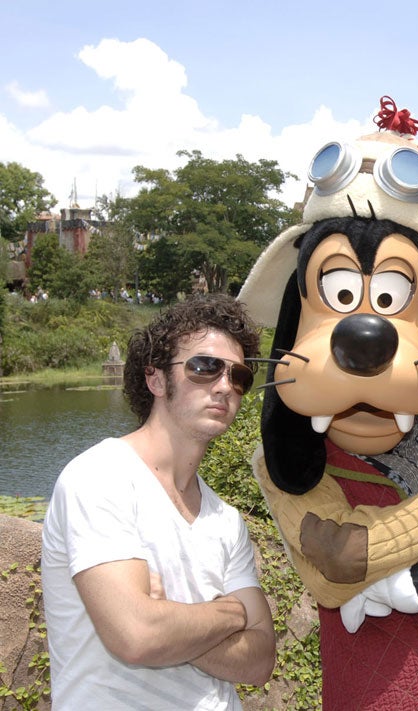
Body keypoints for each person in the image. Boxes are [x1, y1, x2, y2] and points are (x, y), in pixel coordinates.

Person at [41, 293, 276, 710]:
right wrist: (232, 615)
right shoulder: (100, 477)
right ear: (155, 379)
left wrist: (167, 617)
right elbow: (137, 637)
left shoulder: (226, 519)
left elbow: (260, 661)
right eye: (205, 367)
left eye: (238, 376)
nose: (225, 385)